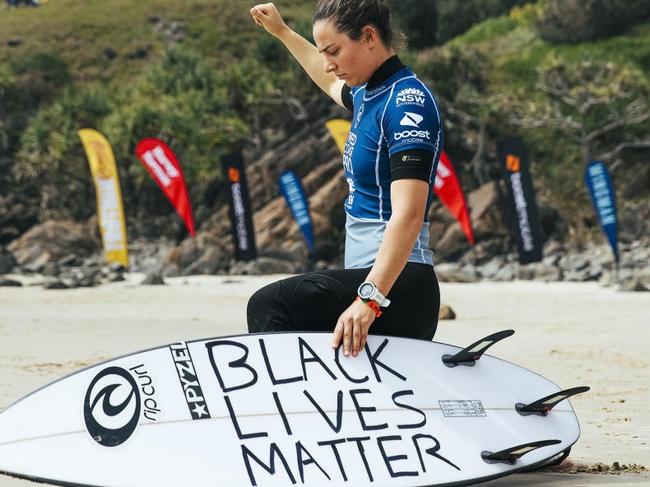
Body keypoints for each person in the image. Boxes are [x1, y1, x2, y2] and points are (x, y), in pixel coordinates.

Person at [248, 0, 443, 359]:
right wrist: (282, 32)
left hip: (400, 286)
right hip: (373, 283)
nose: (329, 63)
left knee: (272, 304)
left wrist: (369, 299)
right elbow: (323, 76)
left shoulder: (407, 103)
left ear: (368, 36)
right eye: (324, 52)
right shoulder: (369, 95)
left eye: (334, 51)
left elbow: (409, 214)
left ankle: (280, 410)